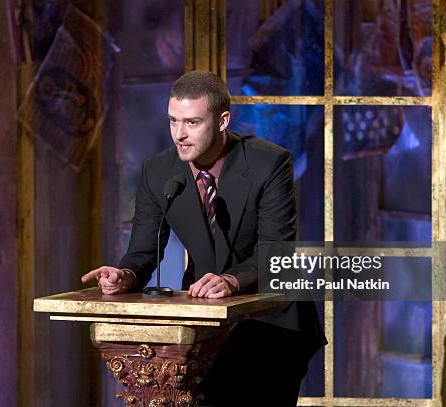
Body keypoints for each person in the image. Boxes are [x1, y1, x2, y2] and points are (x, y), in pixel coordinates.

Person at [82, 70, 326, 406]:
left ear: (223, 120)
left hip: (273, 323)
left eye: (192, 123)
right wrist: (125, 276)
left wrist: (230, 280)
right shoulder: (158, 172)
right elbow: (142, 252)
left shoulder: (269, 163)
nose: (179, 134)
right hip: (205, 326)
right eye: (173, 121)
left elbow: (276, 252)